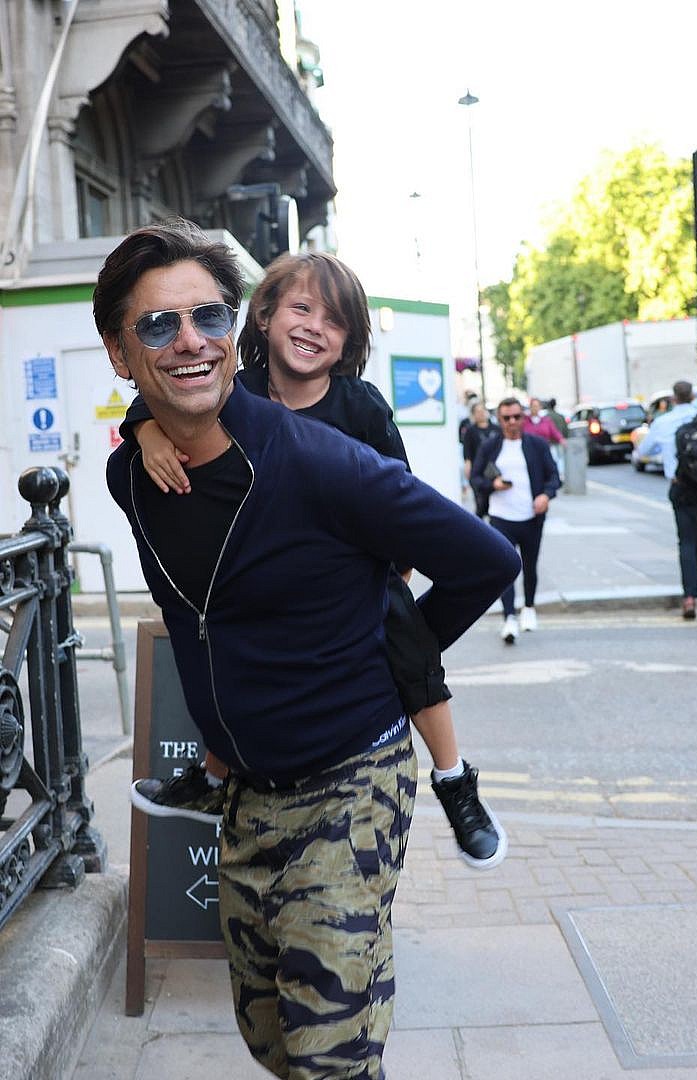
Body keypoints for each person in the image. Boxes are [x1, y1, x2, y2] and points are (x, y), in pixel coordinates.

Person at [95, 220, 520, 1079]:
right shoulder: (134, 474)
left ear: (230, 328)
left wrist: (377, 658)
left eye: (206, 319)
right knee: (272, 1039)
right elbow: (172, 400)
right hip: (247, 792)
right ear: (118, 352)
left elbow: (488, 559)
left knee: (330, 1054)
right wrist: (143, 424)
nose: (189, 342)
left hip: (351, 778)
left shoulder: (329, 462)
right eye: (156, 326)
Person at [123, 251, 510, 871]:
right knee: (227, 653)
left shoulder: (360, 407)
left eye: (334, 322)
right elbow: (164, 397)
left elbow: (405, 508)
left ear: (350, 342)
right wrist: (145, 432)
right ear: (265, 315)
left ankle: (453, 777)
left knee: (408, 644)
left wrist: (383, 606)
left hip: (364, 574)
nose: (313, 328)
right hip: (265, 577)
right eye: (301, 308)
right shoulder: (234, 391)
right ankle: (211, 771)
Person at [636, 380, 697, 620]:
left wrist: (665, 451)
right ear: (692, 397)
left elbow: (644, 451)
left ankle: (689, 596)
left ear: (673, 399)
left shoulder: (663, 422)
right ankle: (694, 582)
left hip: (681, 486)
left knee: (685, 541)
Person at [471, 397, 560, 643]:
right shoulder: (490, 447)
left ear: (523, 418)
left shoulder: (537, 445)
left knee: (530, 566)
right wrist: (493, 484)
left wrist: (545, 495)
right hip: (501, 518)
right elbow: (476, 478)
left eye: (516, 417)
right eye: (506, 418)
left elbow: (554, 476)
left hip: (531, 517)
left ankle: (529, 608)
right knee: (506, 568)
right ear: (499, 420)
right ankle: (509, 617)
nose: (512, 422)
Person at [460, 400, 499, 517]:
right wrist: (468, 465)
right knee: (480, 502)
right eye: (478, 412)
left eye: (483, 411)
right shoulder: (471, 431)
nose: (481, 414)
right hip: (478, 470)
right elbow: (467, 450)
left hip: (494, 470)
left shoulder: (496, 429)